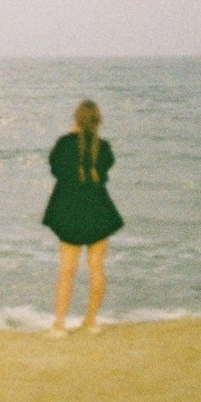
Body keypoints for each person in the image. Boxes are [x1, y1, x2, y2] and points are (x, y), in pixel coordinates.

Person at [42, 99, 123, 336]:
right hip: (98, 209)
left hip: (70, 211)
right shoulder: (104, 147)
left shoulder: (64, 144)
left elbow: (56, 170)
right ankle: (90, 321)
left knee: (67, 270)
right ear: (98, 122)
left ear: (76, 120)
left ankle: (59, 325)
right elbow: (105, 169)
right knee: (97, 267)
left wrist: (73, 134)